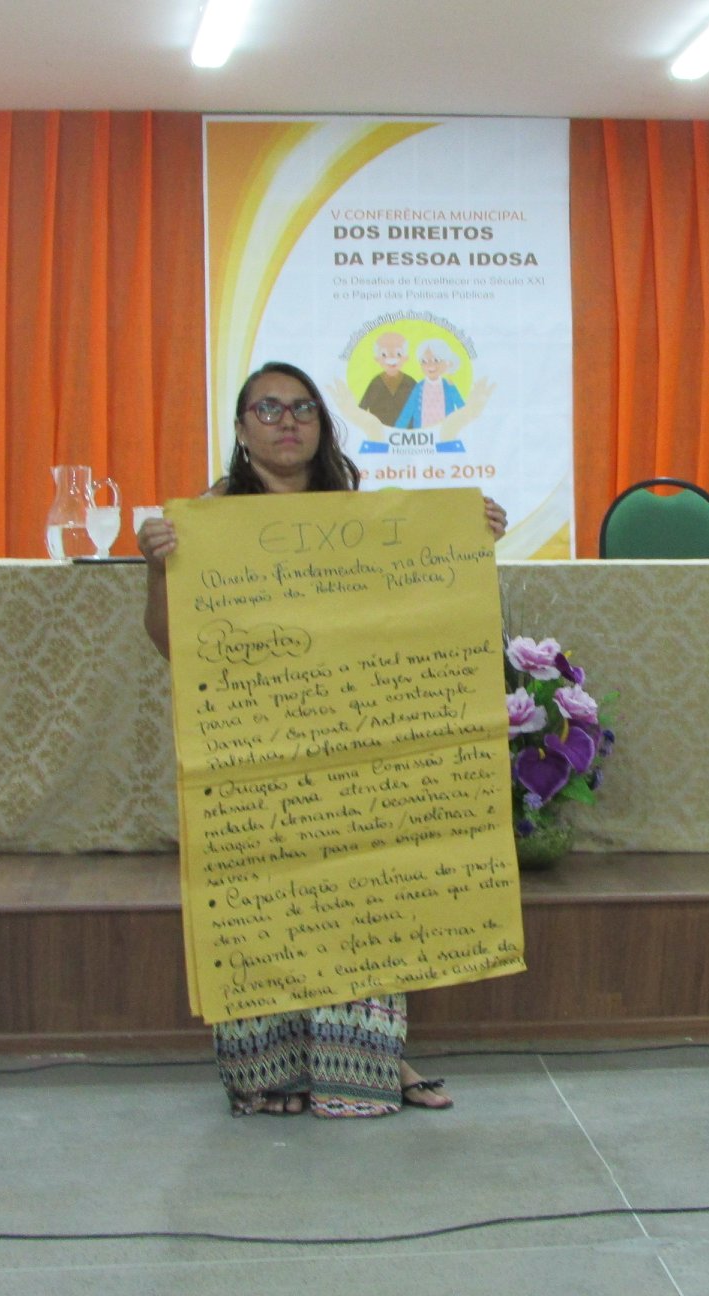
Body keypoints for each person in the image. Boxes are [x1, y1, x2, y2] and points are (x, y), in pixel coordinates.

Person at [137, 360, 509, 1117]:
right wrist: (158, 570)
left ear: (322, 423)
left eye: (303, 408)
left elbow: (415, 620)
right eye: (268, 408)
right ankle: (269, 1071)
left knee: (357, 896)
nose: (287, 422)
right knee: (266, 904)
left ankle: (375, 1062)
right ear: (240, 428)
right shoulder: (204, 521)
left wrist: (467, 541)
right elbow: (174, 645)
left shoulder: (364, 518)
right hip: (252, 753)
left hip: (351, 750)